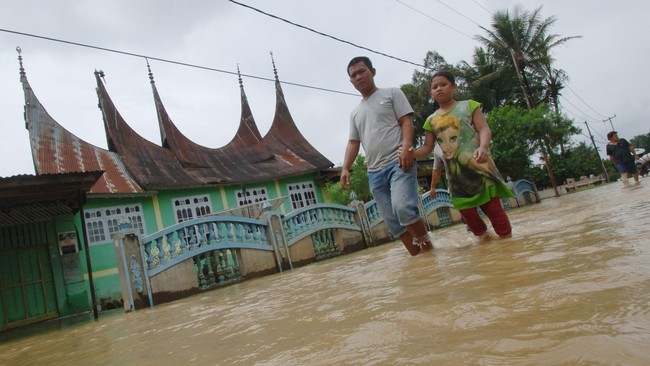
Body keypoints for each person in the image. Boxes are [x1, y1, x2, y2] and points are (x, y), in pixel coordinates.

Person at [341, 56, 433, 256]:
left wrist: (407, 147)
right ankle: (420, 262)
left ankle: (430, 252)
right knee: (393, 222)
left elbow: (406, 121)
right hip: (374, 172)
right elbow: (353, 142)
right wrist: (346, 167)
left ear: (373, 72)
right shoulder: (355, 113)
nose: (358, 77)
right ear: (351, 81)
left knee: (404, 208)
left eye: (362, 71)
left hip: (399, 161)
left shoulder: (392, 93)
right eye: (353, 75)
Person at [410, 70, 513, 240]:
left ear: (454, 87)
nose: (439, 89)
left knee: (496, 213)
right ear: (431, 93)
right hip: (457, 180)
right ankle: (486, 246)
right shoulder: (430, 120)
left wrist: (484, 147)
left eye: (443, 84)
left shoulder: (469, 105)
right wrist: (411, 153)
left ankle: (508, 247)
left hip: (482, 169)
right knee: (470, 218)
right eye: (434, 87)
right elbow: (427, 147)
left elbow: (484, 128)